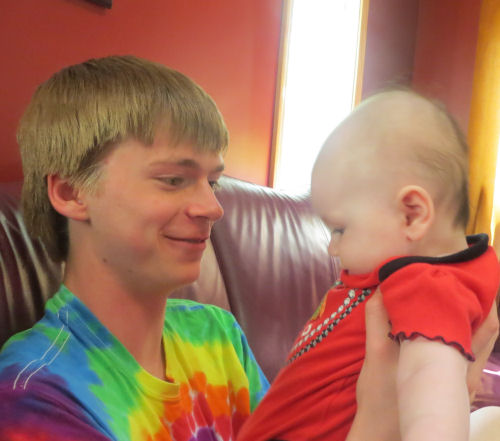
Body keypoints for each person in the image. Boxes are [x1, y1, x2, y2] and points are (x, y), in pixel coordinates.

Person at [0, 55, 269, 441]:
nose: (213, 208)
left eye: (212, 183)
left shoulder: (218, 334)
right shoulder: (36, 392)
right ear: (72, 192)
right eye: (173, 179)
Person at [237, 89, 500, 441]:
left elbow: (431, 391)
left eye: (340, 229)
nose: (332, 248)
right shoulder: (413, 275)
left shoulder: (429, 284)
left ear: (412, 215)